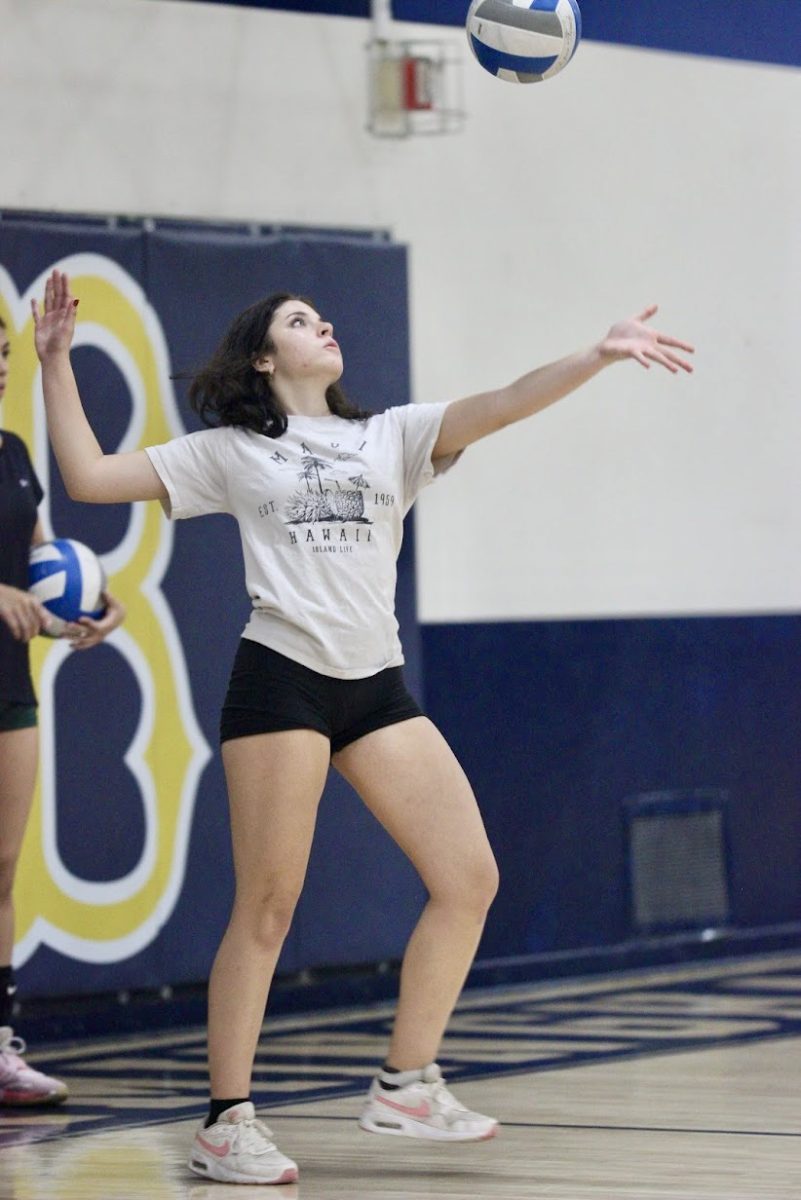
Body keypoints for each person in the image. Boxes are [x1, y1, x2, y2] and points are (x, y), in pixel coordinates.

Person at [32, 268, 693, 1184]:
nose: (325, 323)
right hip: (282, 682)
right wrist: (56, 364)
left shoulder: (392, 436)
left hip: (374, 685)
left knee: (468, 878)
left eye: (323, 313)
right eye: (302, 320)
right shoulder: (231, 449)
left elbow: (502, 403)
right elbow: (91, 477)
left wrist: (596, 353)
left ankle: (405, 1084)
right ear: (266, 358)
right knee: (268, 907)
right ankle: (226, 1120)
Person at [0, 313, 126, 1107]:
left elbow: (40, 561)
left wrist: (88, 607)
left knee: (2, 870)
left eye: (3, 353)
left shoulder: (12, 455)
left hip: (9, 683)